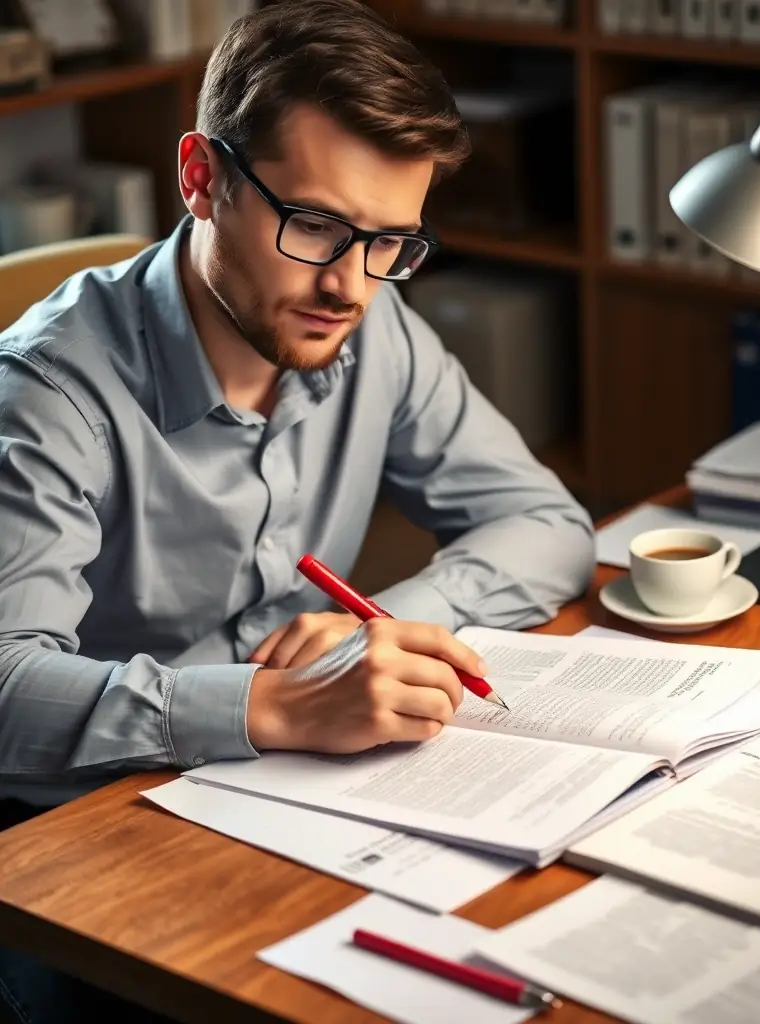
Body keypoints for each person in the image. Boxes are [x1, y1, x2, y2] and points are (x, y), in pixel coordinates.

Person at [0, 0, 595, 1018]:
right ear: (202, 179)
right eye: (315, 224)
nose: (349, 285)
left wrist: (391, 628)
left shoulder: (374, 324)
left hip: (301, 804)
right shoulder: (48, 393)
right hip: (85, 839)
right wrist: (270, 704)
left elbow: (549, 525)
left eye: (392, 241)